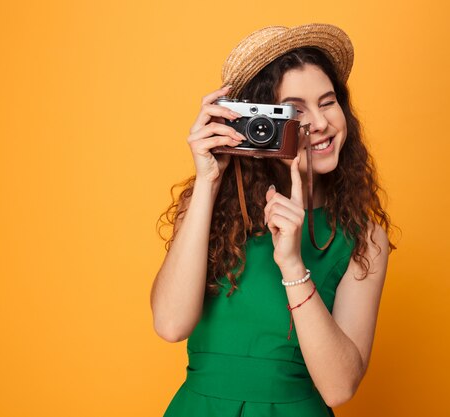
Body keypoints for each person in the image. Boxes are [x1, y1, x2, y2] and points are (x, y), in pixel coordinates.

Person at [151, 23, 398, 417]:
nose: (318, 122)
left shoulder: (364, 239)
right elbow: (170, 324)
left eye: (329, 101)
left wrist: (292, 264)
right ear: (259, 119)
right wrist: (207, 181)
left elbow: (338, 388)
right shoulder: (207, 206)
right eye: (295, 110)